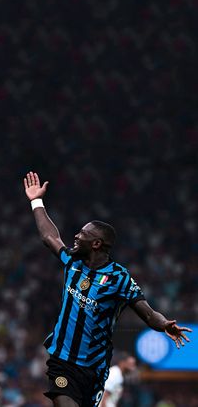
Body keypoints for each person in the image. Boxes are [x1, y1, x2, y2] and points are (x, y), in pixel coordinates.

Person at [24, 171, 192, 407]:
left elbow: (147, 313)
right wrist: (36, 201)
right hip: (62, 362)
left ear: (96, 243)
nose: (76, 236)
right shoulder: (73, 262)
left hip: (95, 368)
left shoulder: (119, 278)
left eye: (82, 234)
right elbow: (49, 237)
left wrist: (164, 324)